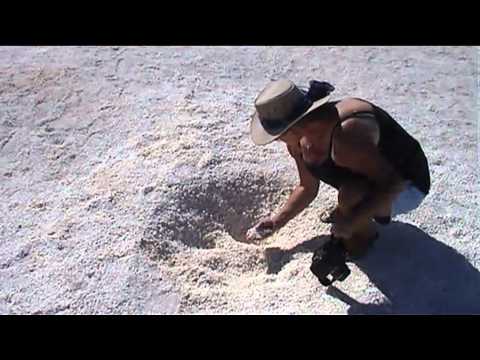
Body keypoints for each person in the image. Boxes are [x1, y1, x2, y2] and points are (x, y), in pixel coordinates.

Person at [245, 79, 430, 258]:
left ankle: (364, 238)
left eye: (277, 136)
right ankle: (351, 208)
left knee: (350, 195)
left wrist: (352, 222)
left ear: (291, 129)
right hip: (368, 174)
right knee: (349, 195)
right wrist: (277, 221)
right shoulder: (298, 141)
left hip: (408, 184)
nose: (277, 140)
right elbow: (307, 187)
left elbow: (393, 182)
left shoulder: (347, 136)